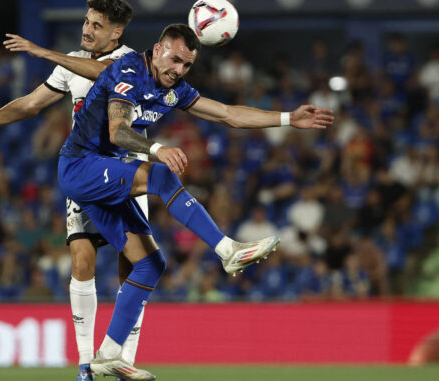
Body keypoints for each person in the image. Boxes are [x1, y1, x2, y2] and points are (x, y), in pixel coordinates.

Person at [56, 24, 334, 379]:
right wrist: (157, 149)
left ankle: (108, 353)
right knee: (161, 174)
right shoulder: (129, 70)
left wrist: (286, 119)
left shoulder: (174, 90)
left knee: (151, 264)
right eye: (174, 60)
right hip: (81, 167)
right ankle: (227, 250)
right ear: (157, 50)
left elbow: (227, 114)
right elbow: (118, 132)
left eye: (187, 65)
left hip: (105, 174)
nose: (179, 70)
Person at [0, 1, 144, 380]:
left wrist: (42, 50)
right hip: (85, 170)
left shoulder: (133, 63)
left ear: (116, 33)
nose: (87, 29)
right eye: (86, 20)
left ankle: (124, 358)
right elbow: (29, 105)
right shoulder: (71, 63)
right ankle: (85, 365)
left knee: (132, 265)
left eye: (97, 24)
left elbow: (105, 73)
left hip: (127, 172)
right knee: (81, 258)